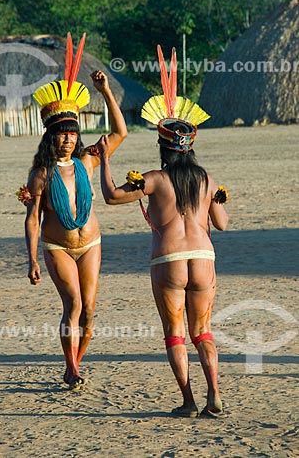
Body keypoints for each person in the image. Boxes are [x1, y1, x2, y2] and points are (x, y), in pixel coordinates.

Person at [97, 45, 229, 417]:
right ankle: (214, 394)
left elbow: (110, 197)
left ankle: (187, 401)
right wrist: (214, 199)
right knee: (202, 331)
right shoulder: (206, 180)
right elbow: (222, 223)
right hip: (204, 259)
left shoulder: (154, 180)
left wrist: (105, 158)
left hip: (169, 259)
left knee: (175, 334)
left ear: (163, 148)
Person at [17, 33, 127, 391]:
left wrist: (106, 91)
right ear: (51, 136)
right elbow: (33, 218)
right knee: (74, 304)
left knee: (91, 312)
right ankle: (70, 367)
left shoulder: (88, 161)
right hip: (58, 246)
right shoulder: (41, 174)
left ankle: (75, 363)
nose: (67, 138)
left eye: (72, 132)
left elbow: (119, 131)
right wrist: (32, 260)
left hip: (91, 242)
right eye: (61, 133)